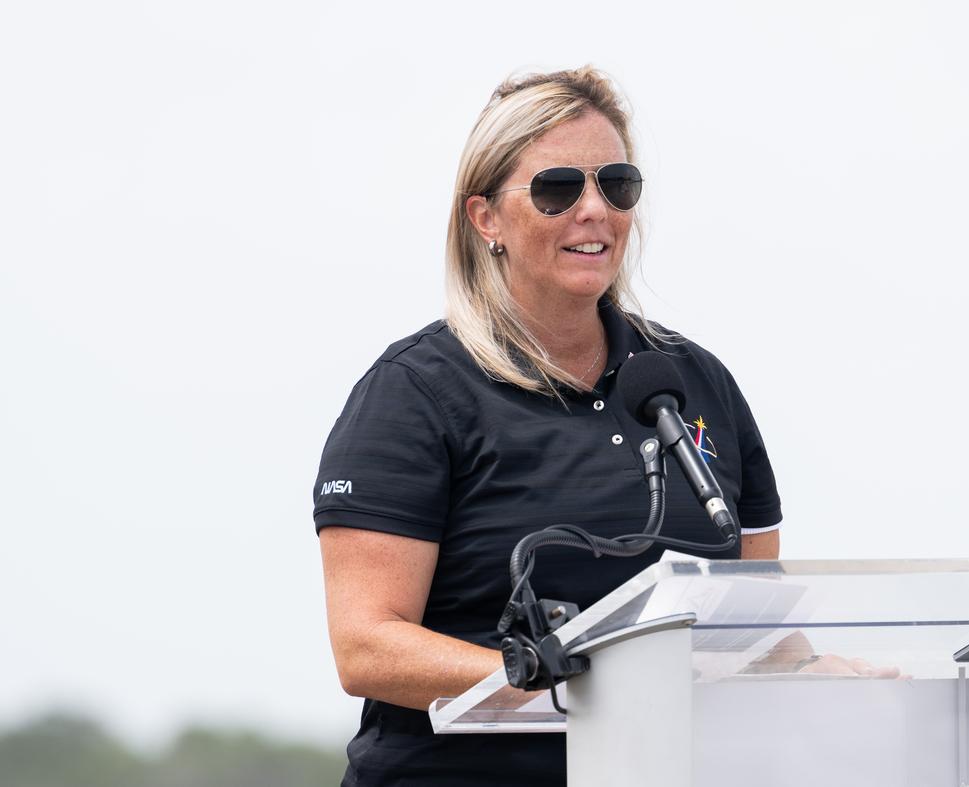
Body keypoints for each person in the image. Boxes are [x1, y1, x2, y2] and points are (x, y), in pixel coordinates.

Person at [313, 66, 783, 787]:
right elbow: (367, 647)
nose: (594, 208)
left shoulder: (695, 382)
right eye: (558, 188)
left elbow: (759, 621)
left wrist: (848, 671)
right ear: (485, 219)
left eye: (616, 184)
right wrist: (577, 686)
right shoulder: (412, 393)